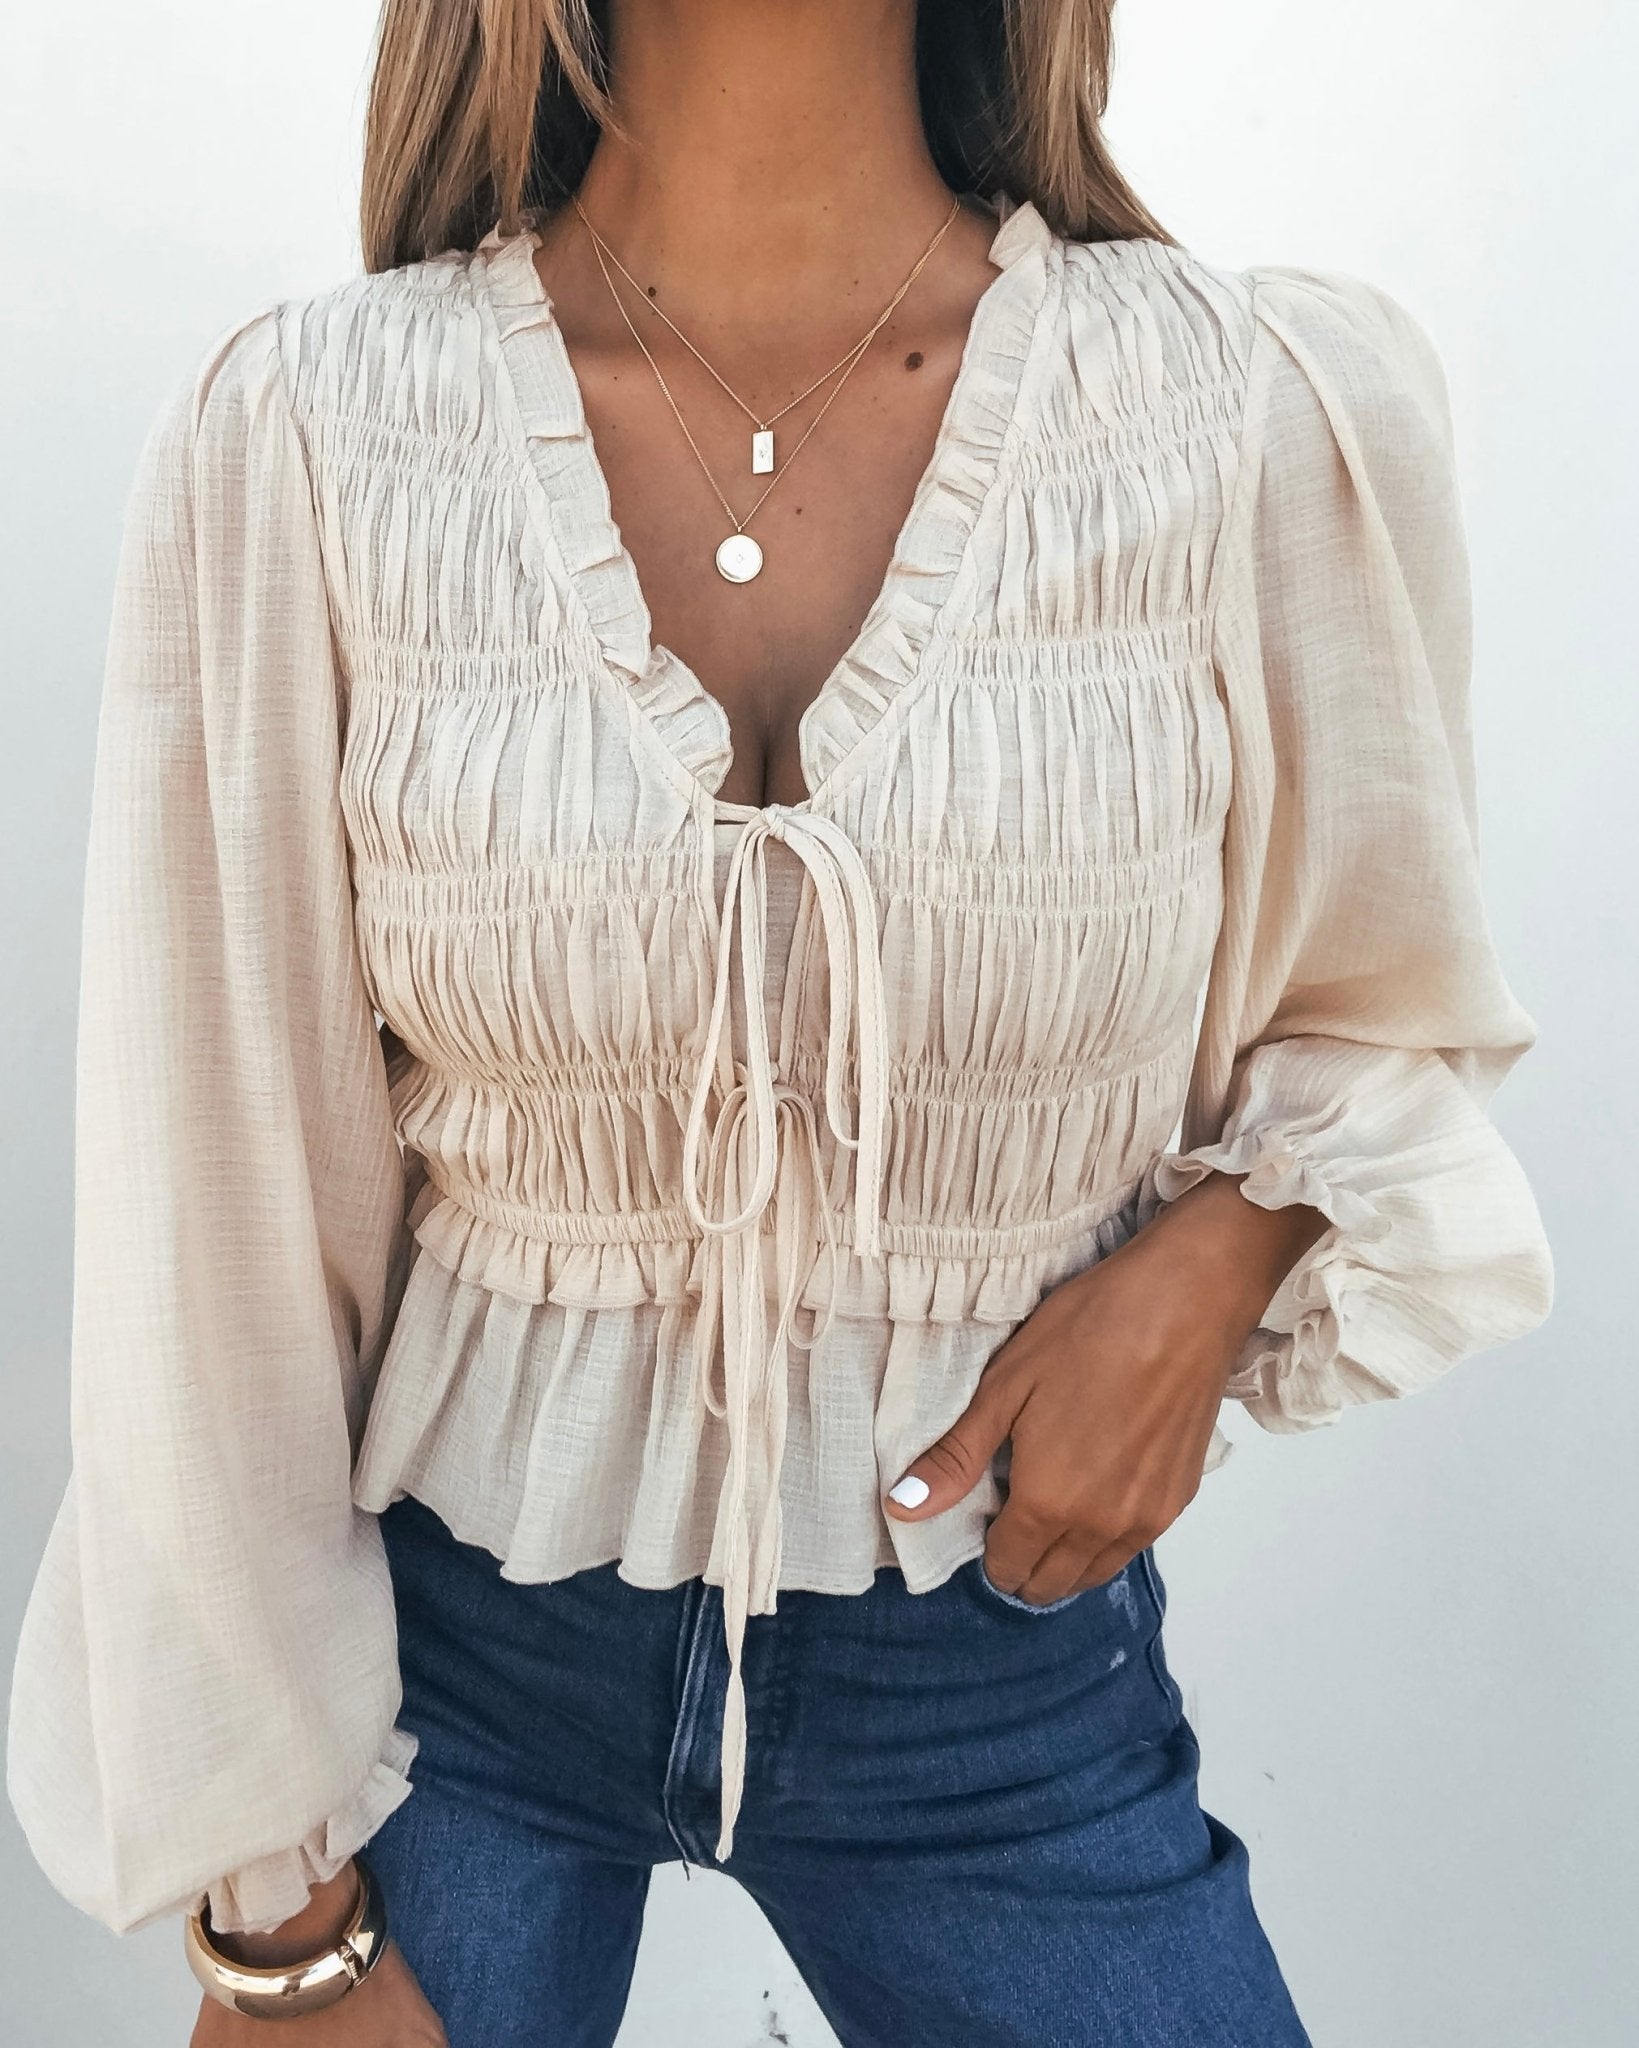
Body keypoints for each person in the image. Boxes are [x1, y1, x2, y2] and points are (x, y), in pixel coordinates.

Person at [7, 1, 1554, 2043]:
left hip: (1001, 1691)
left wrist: (1232, 1241)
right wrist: (279, 1909)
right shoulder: (311, 434)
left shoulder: (1248, 409)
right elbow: (206, 1214)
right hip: (435, 1698)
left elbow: (1389, 1007)